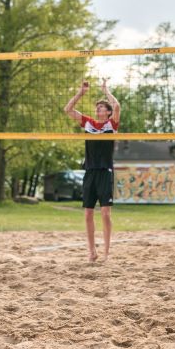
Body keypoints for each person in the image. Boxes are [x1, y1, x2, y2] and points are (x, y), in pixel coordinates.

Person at [64, 79, 121, 262]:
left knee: (105, 213)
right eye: (97, 108)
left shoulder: (111, 125)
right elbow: (68, 110)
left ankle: (106, 252)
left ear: (108, 112)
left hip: (105, 171)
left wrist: (106, 90)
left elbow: (117, 106)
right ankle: (92, 252)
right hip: (90, 171)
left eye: (102, 108)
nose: (98, 110)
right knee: (88, 213)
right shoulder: (89, 124)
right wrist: (81, 93)